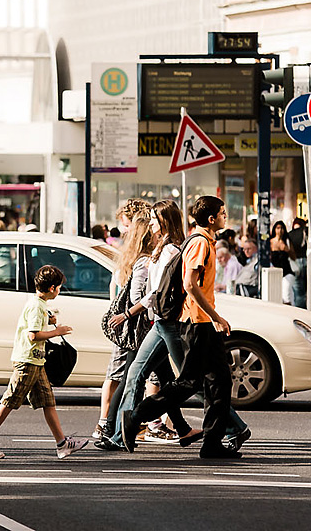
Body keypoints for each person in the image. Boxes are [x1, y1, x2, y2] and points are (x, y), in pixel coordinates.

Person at [123, 196, 240, 459]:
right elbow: (189, 284)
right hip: (197, 323)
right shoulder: (199, 243)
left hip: (200, 323)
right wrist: (216, 316)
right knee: (189, 383)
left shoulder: (202, 241)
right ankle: (137, 416)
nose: (225, 216)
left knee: (218, 382)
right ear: (211, 219)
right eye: (222, 213)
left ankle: (212, 443)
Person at [99, 199, 200, 451]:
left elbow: (156, 293)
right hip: (156, 324)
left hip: (164, 323)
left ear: (163, 222)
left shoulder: (169, 252)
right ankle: (121, 433)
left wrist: (128, 314)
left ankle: (231, 426)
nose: (150, 222)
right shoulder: (159, 251)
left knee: (188, 380)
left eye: (155, 218)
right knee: (141, 376)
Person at [0, 264, 90, 460]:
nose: (59, 290)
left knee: (48, 401)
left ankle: (62, 444)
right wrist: (56, 331)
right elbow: (33, 335)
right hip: (27, 361)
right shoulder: (36, 306)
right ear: (52, 288)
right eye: (59, 287)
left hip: (36, 361)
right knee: (10, 400)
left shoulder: (38, 304)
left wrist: (50, 321)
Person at [93, 210, 153, 442]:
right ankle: (111, 426)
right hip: (136, 327)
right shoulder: (142, 262)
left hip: (127, 326)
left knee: (125, 375)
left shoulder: (126, 259)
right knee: (128, 376)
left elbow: (114, 292)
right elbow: (138, 295)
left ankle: (110, 424)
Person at [269, 221, 294, 305]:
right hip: (275, 273)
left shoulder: (287, 241)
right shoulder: (270, 242)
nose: (280, 230)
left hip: (287, 272)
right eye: (278, 228)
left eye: (282, 228)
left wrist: (287, 249)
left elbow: (294, 257)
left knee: (286, 294)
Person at [288, 218, 309, 310]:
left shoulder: (290, 234)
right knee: (309, 289)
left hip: (296, 262)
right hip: (307, 261)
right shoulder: (307, 232)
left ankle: (301, 310)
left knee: (298, 291)